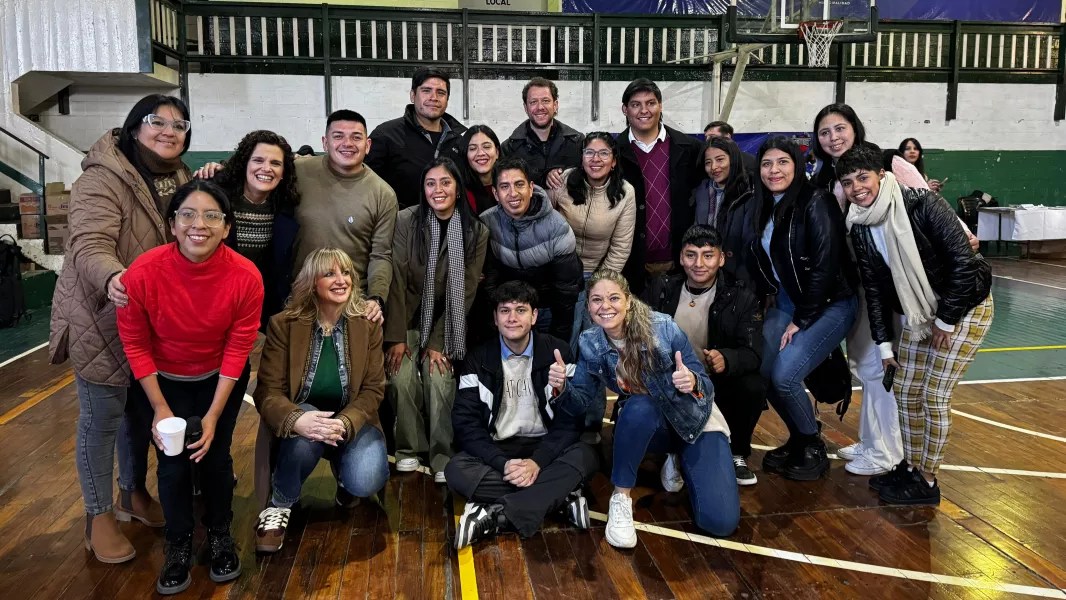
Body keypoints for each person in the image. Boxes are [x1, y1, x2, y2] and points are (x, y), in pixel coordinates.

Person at [49, 94, 188, 564]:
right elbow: (88, 242)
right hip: (102, 314)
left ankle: (132, 492)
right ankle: (98, 515)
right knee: (102, 417)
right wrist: (113, 277)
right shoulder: (101, 178)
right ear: (134, 127)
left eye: (179, 125)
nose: (169, 131)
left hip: (151, 318)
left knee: (138, 412)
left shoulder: (178, 175)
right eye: (157, 122)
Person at [117, 180, 263, 594]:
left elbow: (238, 348)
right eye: (188, 215)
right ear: (172, 224)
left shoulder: (246, 276)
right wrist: (160, 408)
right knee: (173, 464)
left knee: (215, 457)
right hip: (162, 383)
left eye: (212, 216)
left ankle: (220, 534)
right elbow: (135, 343)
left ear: (227, 227)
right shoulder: (143, 272)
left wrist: (213, 415)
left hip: (219, 380)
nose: (199, 224)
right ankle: (178, 543)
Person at [836, 143, 993, 505]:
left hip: (965, 306)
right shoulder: (859, 225)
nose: (857, 188)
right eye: (847, 182)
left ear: (882, 176)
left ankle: (928, 480)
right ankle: (909, 466)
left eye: (863, 178)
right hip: (919, 314)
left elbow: (964, 264)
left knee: (934, 396)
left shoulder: (924, 205)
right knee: (906, 390)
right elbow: (875, 289)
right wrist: (884, 345)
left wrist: (946, 321)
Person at [558, 270, 739, 548]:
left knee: (720, 522)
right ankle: (621, 499)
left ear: (628, 301)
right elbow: (578, 402)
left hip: (693, 419)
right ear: (589, 307)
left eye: (614, 298)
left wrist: (692, 381)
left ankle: (677, 456)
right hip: (647, 421)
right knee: (640, 405)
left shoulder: (663, 328)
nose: (605, 306)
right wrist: (561, 387)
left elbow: (705, 384)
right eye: (596, 300)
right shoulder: (590, 342)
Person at [193, 110, 397, 326]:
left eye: (356, 137)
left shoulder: (383, 194)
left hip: (347, 303)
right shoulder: (299, 171)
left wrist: (376, 298)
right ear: (325, 143)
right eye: (338, 136)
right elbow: (261, 167)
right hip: (292, 301)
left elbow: (381, 254)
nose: (347, 143)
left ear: (368, 145)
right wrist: (219, 169)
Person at [252, 248, 390, 552]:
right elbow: (267, 392)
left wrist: (345, 422)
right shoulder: (284, 324)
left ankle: (345, 481)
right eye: (330, 274)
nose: (341, 280)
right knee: (307, 433)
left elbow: (373, 390)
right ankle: (280, 503)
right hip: (304, 419)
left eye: (346, 273)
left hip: (351, 420)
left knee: (367, 477)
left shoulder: (367, 325)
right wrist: (296, 420)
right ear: (312, 283)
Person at [448, 281, 598, 548]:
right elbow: (466, 424)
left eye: (520, 310)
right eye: (504, 311)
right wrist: (503, 463)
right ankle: (559, 496)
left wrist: (537, 462)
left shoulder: (558, 353)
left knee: (587, 456)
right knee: (456, 470)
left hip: (546, 447)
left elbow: (571, 420)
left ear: (534, 316)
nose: (512, 318)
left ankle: (495, 516)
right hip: (499, 449)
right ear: (495, 318)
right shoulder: (477, 358)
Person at [751, 136, 858, 482]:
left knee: (784, 376)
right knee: (761, 371)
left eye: (783, 162)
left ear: (797, 166)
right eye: (767, 163)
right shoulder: (764, 204)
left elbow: (826, 266)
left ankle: (811, 443)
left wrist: (802, 318)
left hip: (829, 302)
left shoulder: (816, 200)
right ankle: (799, 436)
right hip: (787, 299)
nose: (774, 170)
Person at [385, 157, 489, 482]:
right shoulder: (406, 220)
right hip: (406, 319)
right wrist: (396, 336)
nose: (438, 190)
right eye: (430, 183)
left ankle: (442, 455)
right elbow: (396, 281)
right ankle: (408, 449)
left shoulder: (476, 231)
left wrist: (437, 342)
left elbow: (467, 290)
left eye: (445, 182)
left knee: (439, 378)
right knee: (401, 378)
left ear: (458, 189)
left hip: (447, 322)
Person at [644, 225, 765, 487]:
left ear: (721, 258)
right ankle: (671, 449)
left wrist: (727, 358)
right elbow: (639, 334)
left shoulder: (742, 296)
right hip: (668, 381)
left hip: (714, 383)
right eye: (691, 255)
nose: (699, 264)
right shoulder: (661, 288)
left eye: (708, 255)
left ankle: (737, 452)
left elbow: (753, 353)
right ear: (681, 257)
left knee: (754, 385)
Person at [548, 132, 636, 352]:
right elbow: (544, 219)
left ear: (613, 161)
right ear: (582, 157)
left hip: (599, 272)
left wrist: (599, 284)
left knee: (593, 337)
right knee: (566, 334)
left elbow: (621, 246)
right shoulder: (563, 180)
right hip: (560, 273)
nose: (596, 159)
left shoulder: (626, 192)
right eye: (589, 152)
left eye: (604, 153)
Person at [481, 157, 583, 343]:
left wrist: (557, 341)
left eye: (519, 184)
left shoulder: (557, 227)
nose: (513, 193)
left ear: (531, 188)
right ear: (495, 193)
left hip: (547, 310)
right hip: (508, 311)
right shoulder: (487, 222)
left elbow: (566, 292)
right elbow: (490, 282)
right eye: (504, 187)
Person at [617, 78, 704, 294]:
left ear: (660, 106)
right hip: (629, 264)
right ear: (625, 109)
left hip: (680, 263)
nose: (644, 110)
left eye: (651, 103)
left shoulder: (689, 148)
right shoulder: (613, 153)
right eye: (636, 104)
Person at [209, 130, 300, 325]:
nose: (266, 168)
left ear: (283, 173)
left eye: (275, 163)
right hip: (214, 303)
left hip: (260, 309)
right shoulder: (216, 198)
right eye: (258, 160)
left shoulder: (285, 207)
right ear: (245, 164)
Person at [366, 67, 467, 209]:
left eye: (441, 93)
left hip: (447, 220)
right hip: (399, 221)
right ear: (413, 96)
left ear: (447, 99)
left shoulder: (458, 142)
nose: (434, 97)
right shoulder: (385, 135)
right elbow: (365, 184)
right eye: (426, 91)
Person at [692, 136, 759, 286]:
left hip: (740, 277)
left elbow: (751, 245)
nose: (714, 167)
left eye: (720, 159)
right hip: (707, 272)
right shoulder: (702, 191)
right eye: (708, 162)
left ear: (733, 159)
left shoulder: (750, 192)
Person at [500, 77, 584, 190]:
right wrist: (543, 178)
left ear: (555, 105)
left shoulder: (577, 142)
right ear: (526, 108)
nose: (540, 107)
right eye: (533, 102)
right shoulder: (509, 149)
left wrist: (564, 174)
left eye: (545, 101)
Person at [460, 124, 502, 215]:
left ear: (497, 152)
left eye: (486, 147)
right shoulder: (460, 192)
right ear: (465, 155)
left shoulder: (510, 185)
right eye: (473, 148)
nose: (480, 153)